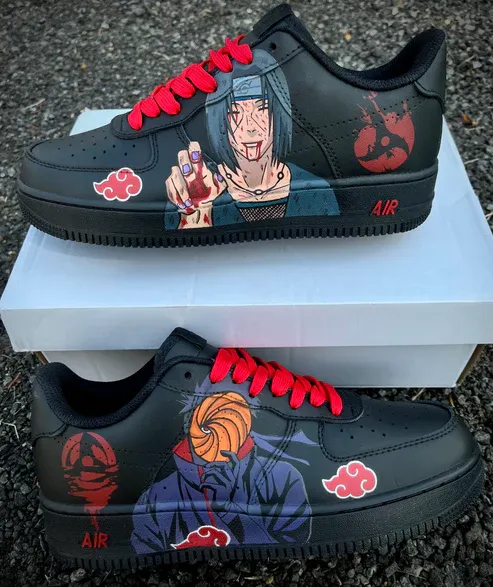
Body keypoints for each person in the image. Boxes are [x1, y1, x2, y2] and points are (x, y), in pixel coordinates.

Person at [164, 49, 340, 229]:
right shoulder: (194, 188)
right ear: (219, 120)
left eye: (261, 108)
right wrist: (197, 214)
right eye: (235, 112)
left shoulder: (317, 190)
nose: (250, 127)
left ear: (278, 112)